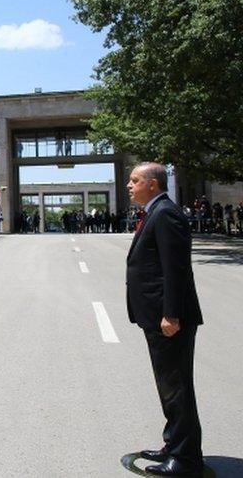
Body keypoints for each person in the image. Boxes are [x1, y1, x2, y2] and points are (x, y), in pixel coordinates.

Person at [125, 163, 204, 476]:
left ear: (153, 184)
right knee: (169, 386)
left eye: (134, 180)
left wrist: (171, 314)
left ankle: (185, 460)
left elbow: (176, 269)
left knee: (177, 386)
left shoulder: (166, 213)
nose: (129, 185)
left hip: (168, 317)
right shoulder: (155, 211)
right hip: (156, 315)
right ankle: (174, 444)